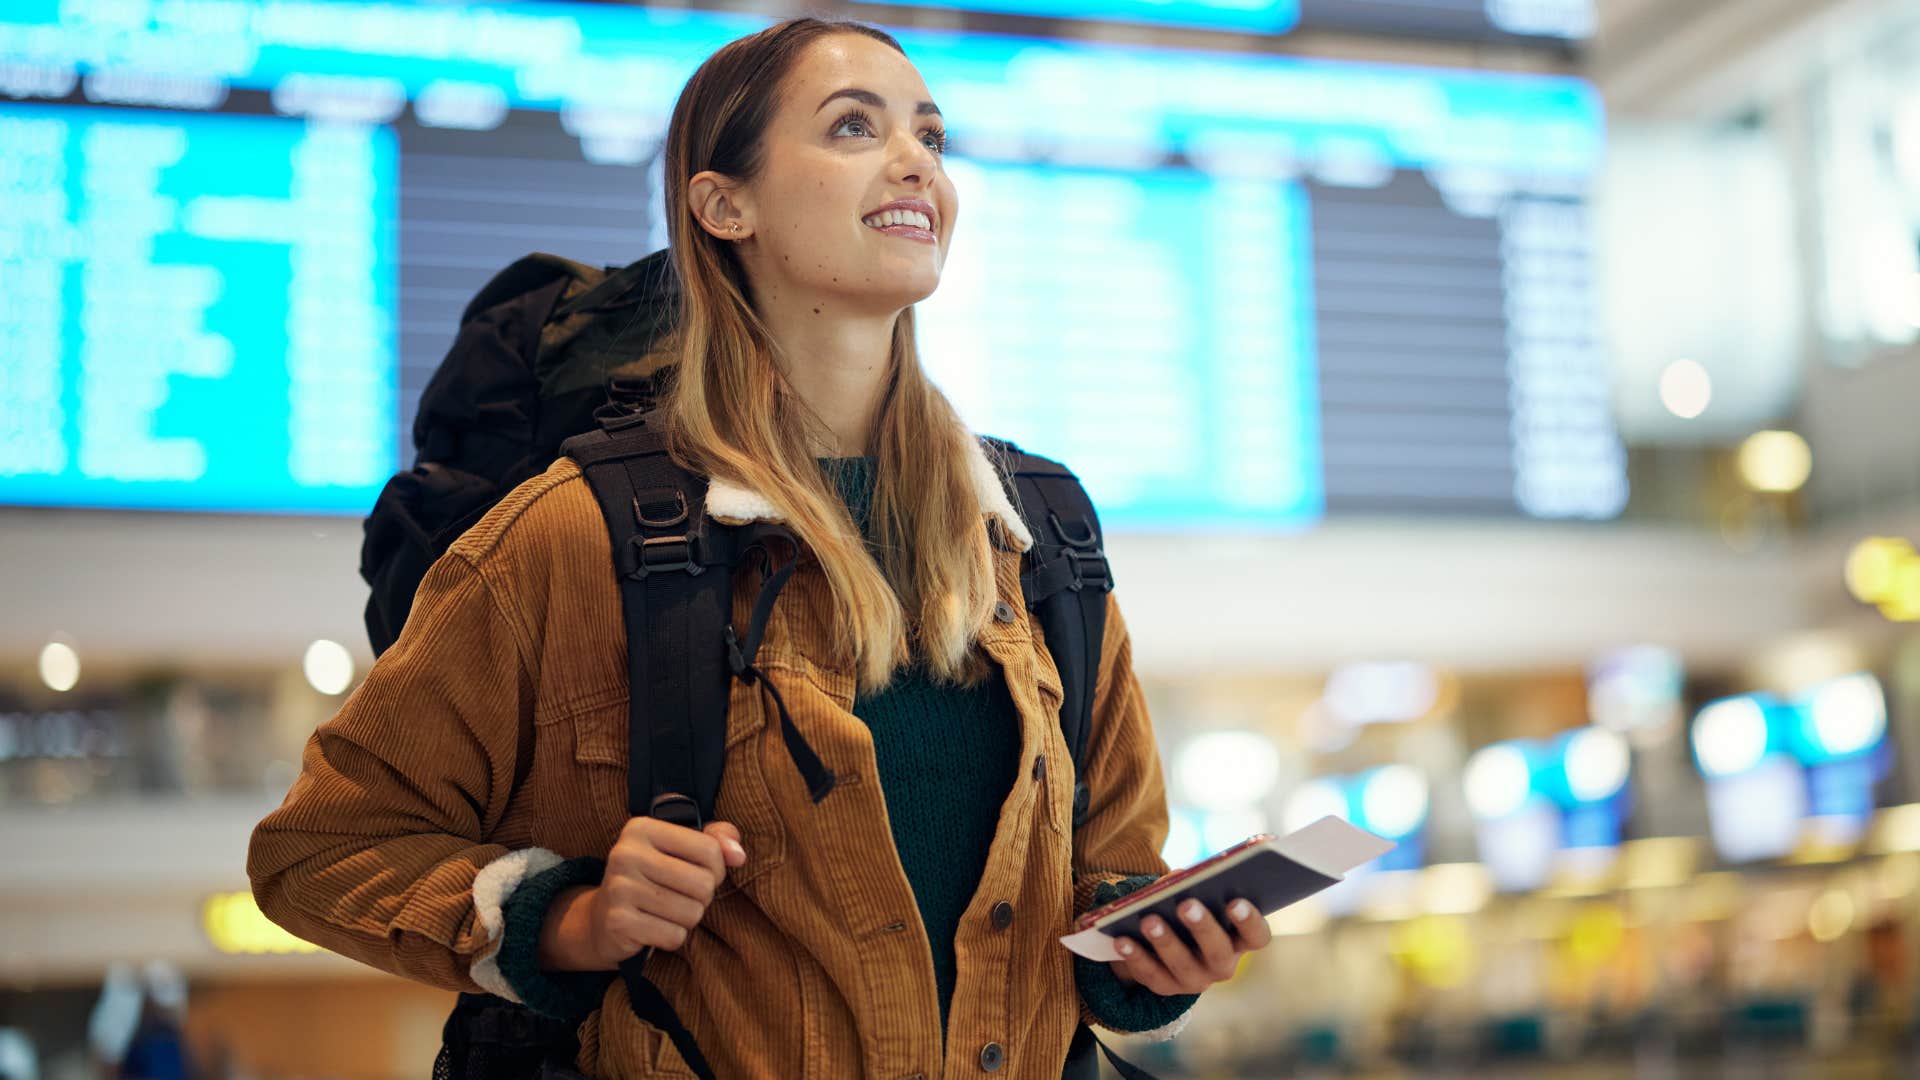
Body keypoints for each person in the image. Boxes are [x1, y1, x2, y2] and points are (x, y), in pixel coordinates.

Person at [248, 16, 1273, 1077]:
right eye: (853, 128)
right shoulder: (577, 534)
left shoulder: (1036, 535)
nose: (916, 162)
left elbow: (1108, 874)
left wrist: (1149, 957)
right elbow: (322, 849)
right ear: (722, 205)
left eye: (930, 135)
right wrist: (571, 921)